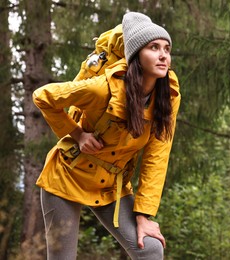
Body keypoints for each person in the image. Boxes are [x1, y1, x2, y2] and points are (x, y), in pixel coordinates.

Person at [33, 11, 180, 259]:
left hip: (111, 184)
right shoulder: (103, 88)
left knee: (151, 249)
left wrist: (143, 216)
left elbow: (157, 157)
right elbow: (43, 96)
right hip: (67, 176)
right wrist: (78, 134)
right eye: (153, 47)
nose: (163, 54)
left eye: (166, 48)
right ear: (136, 56)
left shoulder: (168, 96)